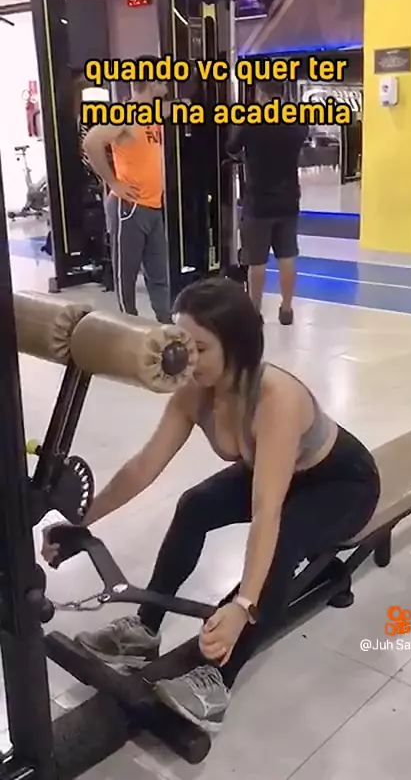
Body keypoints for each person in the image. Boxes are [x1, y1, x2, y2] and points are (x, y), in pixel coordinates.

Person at [42, 277, 380, 732]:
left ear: (236, 349)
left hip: (343, 484)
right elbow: (143, 467)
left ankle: (218, 679)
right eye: (183, 344)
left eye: (201, 348)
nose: (187, 359)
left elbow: (267, 511)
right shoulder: (194, 391)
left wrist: (243, 605)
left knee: (282, 540)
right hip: (281, 473)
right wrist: (80, 522)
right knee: (195, 504)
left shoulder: (276, 399)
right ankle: (144, 630)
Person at [83, 55, 171, 323]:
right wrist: (113, 183)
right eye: (164, 78)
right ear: (152, 82)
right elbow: (91, 142)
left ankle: (166, 323)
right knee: (126, 276)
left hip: (153, 206)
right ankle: (127, 326)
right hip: (129, 208)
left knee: (159, 274)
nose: (168, 83)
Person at [228, 81, 308, 325]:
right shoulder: (297, 121)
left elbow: (231, 147)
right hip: (288, 200)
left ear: (261, 94)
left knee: (257, 262)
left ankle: (254, 311)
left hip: (258, 201)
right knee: (287, 257)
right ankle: (287, 309)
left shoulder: (251, 121)